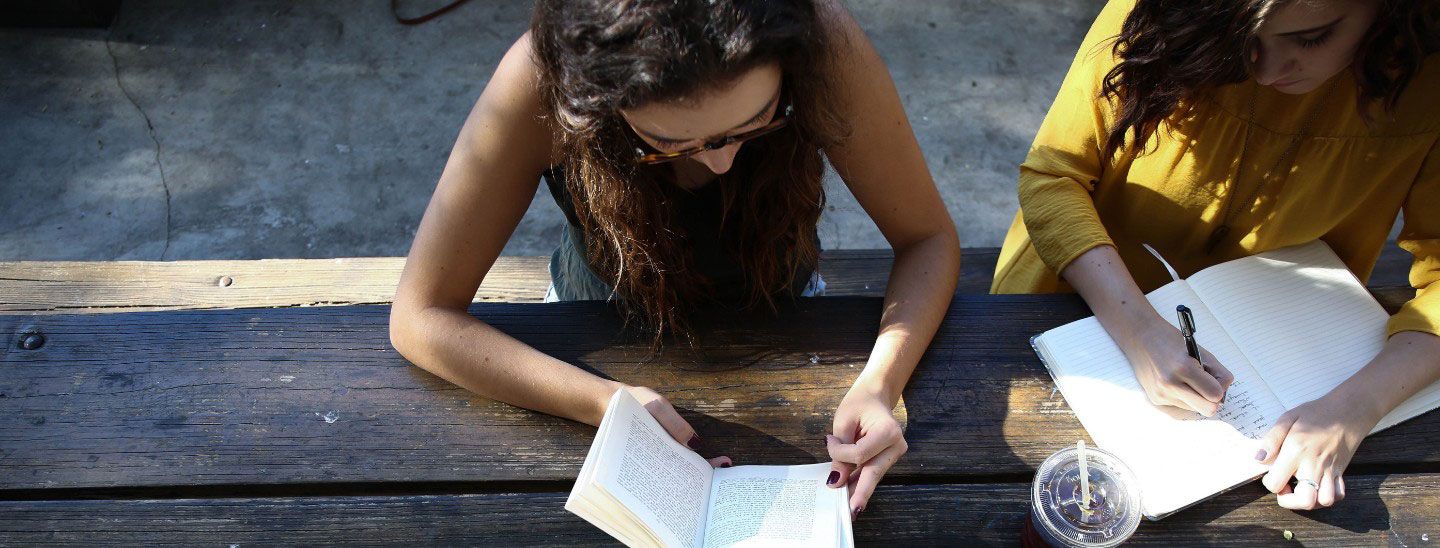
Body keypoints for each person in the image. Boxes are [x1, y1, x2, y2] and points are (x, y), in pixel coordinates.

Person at [389, 0, 960, 517]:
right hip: (593, 322)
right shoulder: (542, 78)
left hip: (786, 309)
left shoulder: (823, 41)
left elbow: (927, 239)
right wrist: (606, 402)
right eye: (670, 144)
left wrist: (880, 385)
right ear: (595, 101)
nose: (721, 163)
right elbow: (421, 316)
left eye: (758, 120)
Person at [993, 0, 1439, 511]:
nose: (1267, 71)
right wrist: (1139, 330)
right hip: (1070, 296)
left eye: (1311, 38)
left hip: (1294, 355)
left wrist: (1353, 409)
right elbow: (1054, 177)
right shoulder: (1160, 14)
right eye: (1246, 38)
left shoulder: (1429, 83)